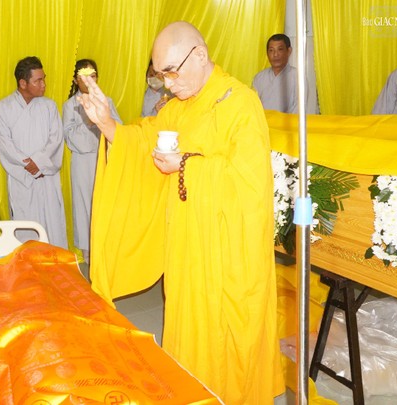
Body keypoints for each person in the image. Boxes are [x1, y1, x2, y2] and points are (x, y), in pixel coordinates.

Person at [77, 21, 284, 404]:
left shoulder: (239, 102)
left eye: (171, 72)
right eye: (161, 76)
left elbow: (250, 183)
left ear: (200, 55)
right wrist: (107, 123)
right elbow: (145, 137)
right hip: (186, 247)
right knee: (189, 333)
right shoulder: (179, 108)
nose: (168, 85)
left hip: (226, 253)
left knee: (227, 343)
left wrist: (186, 164)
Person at [0, 56, 67, 249]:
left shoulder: (49, 106)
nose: (44, 84)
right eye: (38, 80)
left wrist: (39, 163)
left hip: (46, 176)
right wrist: (28, 165)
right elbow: (4, 144)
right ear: (23, 83)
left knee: (52, 224)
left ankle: (56, 264)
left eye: (44, 79)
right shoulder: (3, 108)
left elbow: (56, 139)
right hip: (22, 178)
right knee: (26, 227)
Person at [63, 59, 122, 263]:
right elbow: (70, 138)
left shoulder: (107, 101)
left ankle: (108, 248)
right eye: (83, 77)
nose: (89, 81)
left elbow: (119, 130)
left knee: (106, 203)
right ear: (75, 80)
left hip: (103, 159)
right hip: (83, 163)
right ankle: (88, 253)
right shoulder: (70, 106)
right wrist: (89, 121)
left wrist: (103, 119)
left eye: (93, 76)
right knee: (85, 206)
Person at [252, 33, 298, 113]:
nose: (275, 54)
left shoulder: (297, 77)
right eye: (271, 50)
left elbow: (299, 110)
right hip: (263, 121)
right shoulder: (259, 78)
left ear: (289, 51)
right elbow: (253, 106)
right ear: (267, 53)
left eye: (280, 49)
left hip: (289, 121)